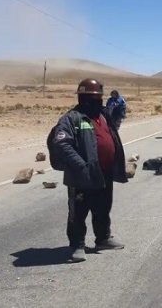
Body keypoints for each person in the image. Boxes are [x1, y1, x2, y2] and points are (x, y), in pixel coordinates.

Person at [49, 78, 127, 262]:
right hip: (81, 176)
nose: (96, 101)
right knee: (78, 212)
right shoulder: (71, 118)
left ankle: (103, 238)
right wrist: (80, 165)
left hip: (104, 172)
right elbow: (61, 143)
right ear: (82, 98)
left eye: (98, 97)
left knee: (102, 208)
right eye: (91, 97)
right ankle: (77, 245)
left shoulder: (103, 116)